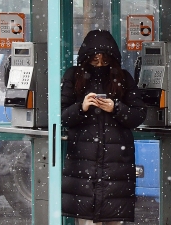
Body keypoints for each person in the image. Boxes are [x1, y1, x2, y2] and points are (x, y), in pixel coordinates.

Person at [60, 30, 147, 225]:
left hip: (116, 165)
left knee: (113, 218)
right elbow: (61, 116)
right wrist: (81, 107)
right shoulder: (74, 77)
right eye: (94, 61)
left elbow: (138, 114)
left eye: (104, 61)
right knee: (86, 220)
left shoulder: (123, 78)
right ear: (85, 59)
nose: (99, 65)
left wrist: (116, 107)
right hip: (83, 165)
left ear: (112, 60)